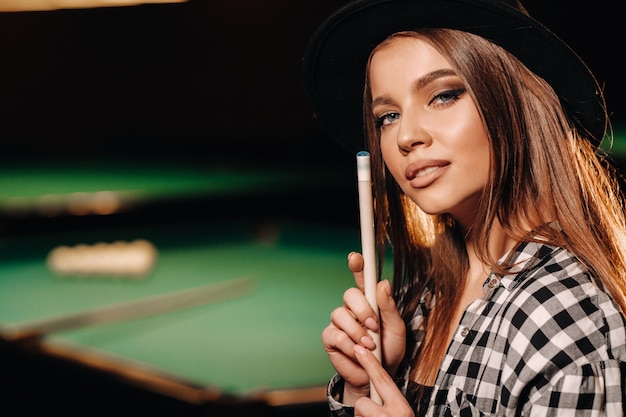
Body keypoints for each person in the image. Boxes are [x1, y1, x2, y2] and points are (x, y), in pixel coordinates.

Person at [302, 0, 626, 415]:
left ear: (518, 104)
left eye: (443, 95)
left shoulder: (564, 316)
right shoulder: (421, 298)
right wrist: (365, 388)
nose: (406, 136)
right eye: (388, 116)